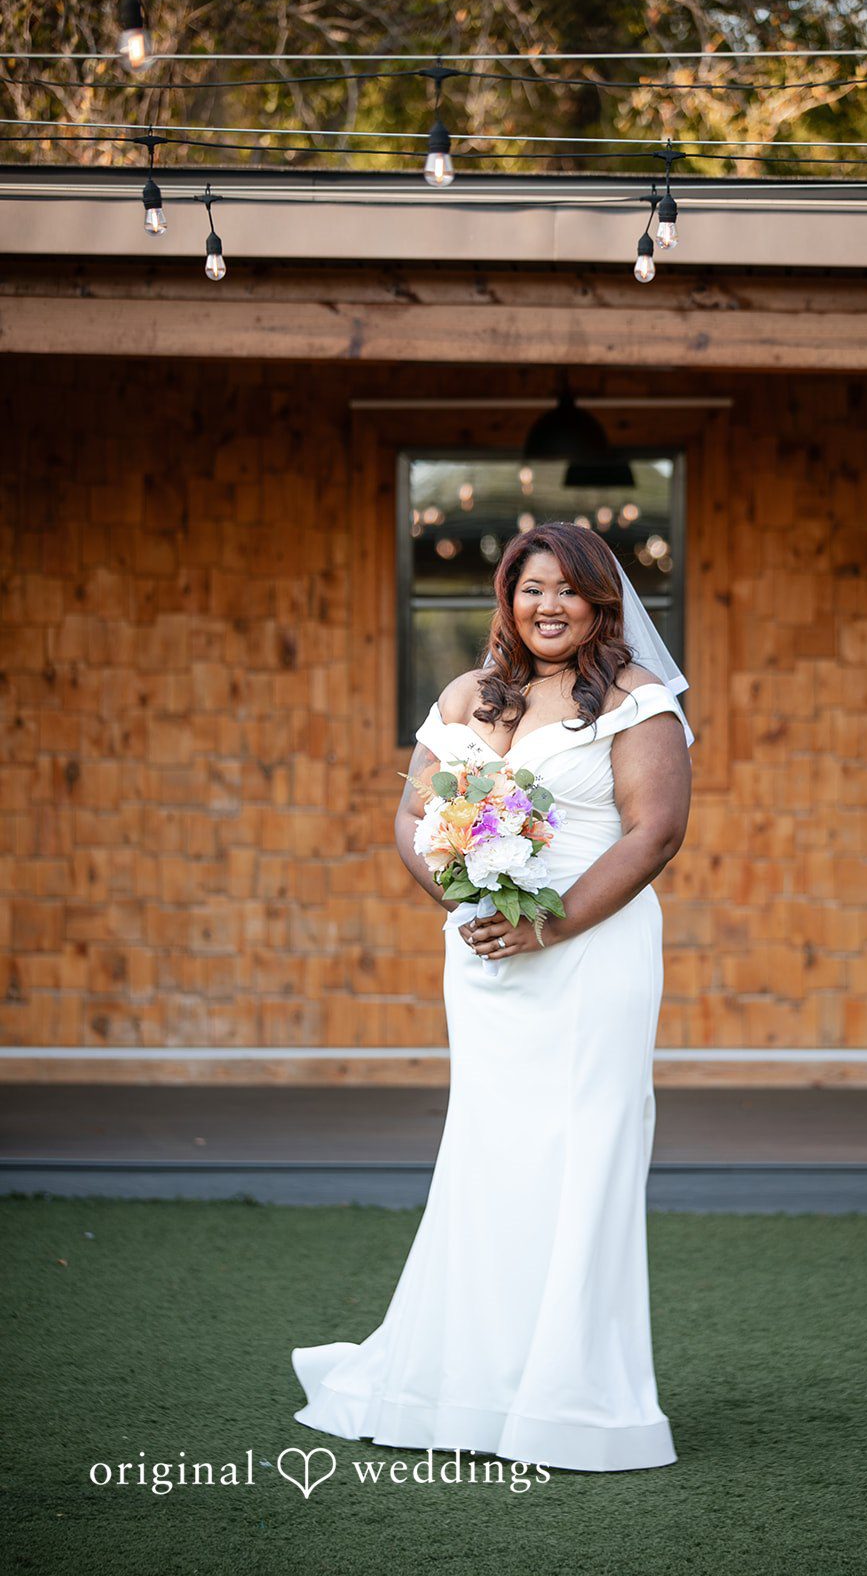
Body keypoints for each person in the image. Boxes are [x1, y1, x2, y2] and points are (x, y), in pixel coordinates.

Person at [290, 521, 694, 1472]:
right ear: (507, 600)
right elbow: (414, 812)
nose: (548, 606)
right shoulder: (470, 695)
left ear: (601, 600)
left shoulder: (639, 703)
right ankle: (468, 1382)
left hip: (590, 957)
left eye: (569, 589)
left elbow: (655, 834)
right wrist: (464, 898)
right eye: (529, 588)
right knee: (489, 1155)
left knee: (581, 1156)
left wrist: (545, 925)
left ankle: (568, 1396)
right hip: (484, 957)